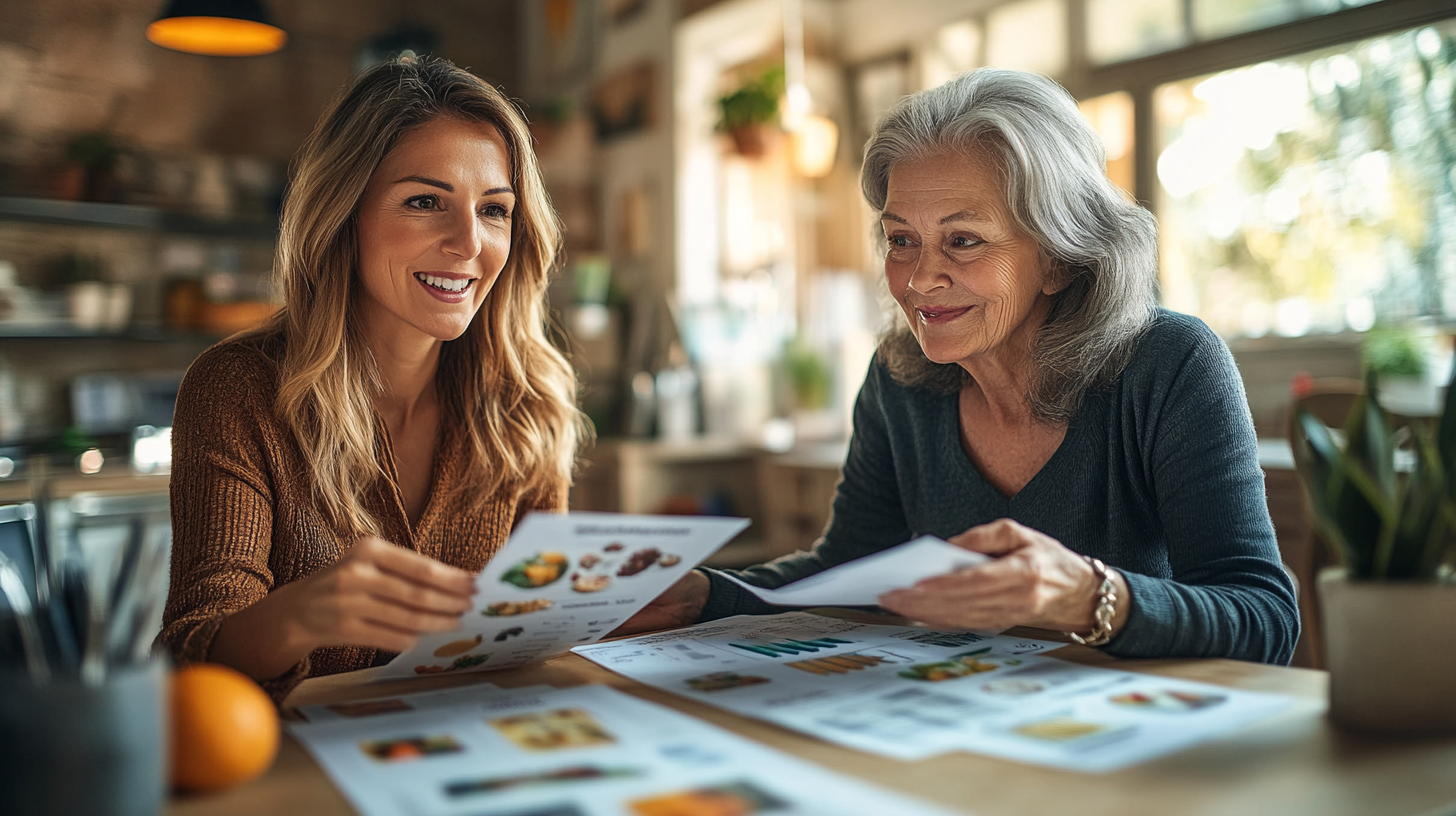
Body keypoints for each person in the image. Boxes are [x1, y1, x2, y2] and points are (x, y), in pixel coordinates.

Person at [631, 68, 1299, 665]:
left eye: (963, 240)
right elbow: (849, 569)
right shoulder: (898, 380)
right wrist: (707, 594)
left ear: (1062, 256)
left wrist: (1091, 597)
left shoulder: (1171, 365)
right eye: (901, 240)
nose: (920, 279)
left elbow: (1266, 617)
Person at [160, 56, 586, 701]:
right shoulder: (237, 390)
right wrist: (300, 614)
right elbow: (185, 660)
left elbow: (530, 643)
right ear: (343, 214)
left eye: (494, 210)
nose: (468, 242)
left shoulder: (526, 401)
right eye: (424, 202)